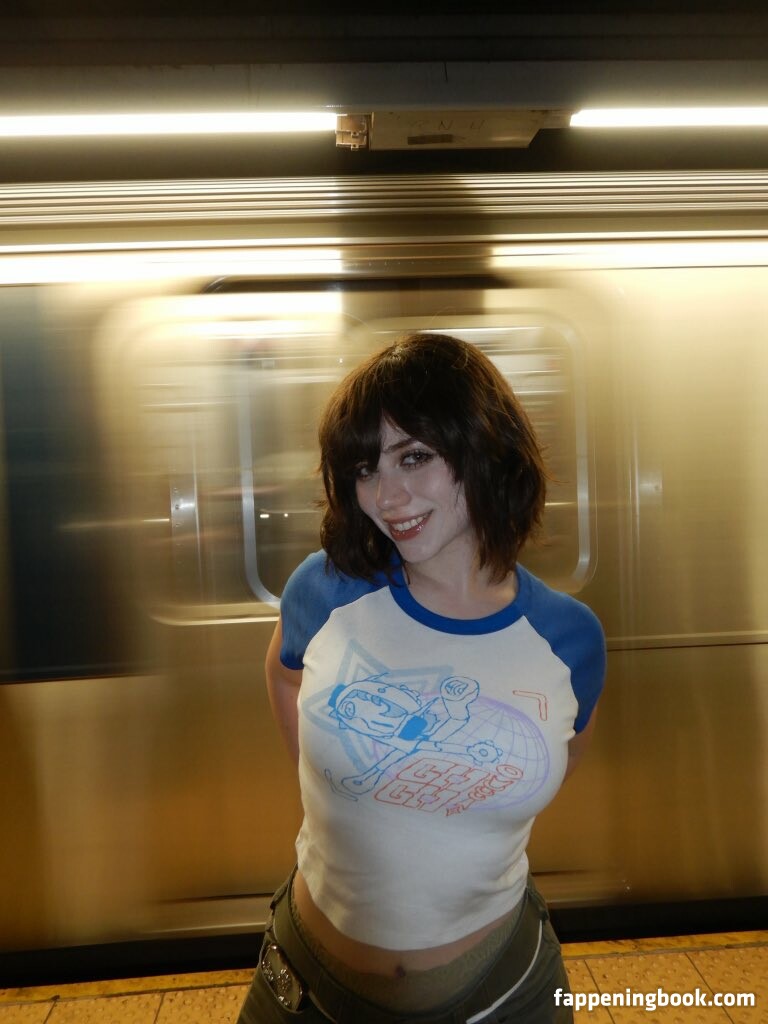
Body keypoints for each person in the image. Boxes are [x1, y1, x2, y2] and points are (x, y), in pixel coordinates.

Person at [237, 332, 606, 1024]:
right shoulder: (326, 591)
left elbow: (551, 761)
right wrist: (333, 790)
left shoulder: (569, 639)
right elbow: (284, 676)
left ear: (485, 448)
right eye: (365, 468)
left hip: (503, 990)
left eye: (414, 456)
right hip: (306, 985)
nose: (386, 496)